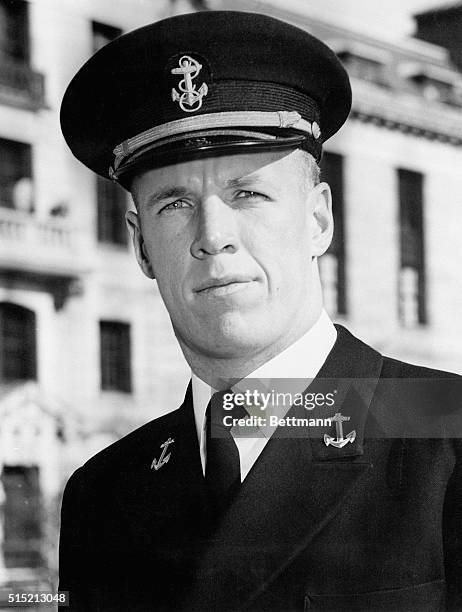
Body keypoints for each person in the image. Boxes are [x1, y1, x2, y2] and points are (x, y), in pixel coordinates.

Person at [58, 10, 462, 612]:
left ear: (319, 219)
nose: (213, 236)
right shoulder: (104, 493)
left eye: (248, 192)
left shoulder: (446, 435)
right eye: (174, 204)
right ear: (141, 245)